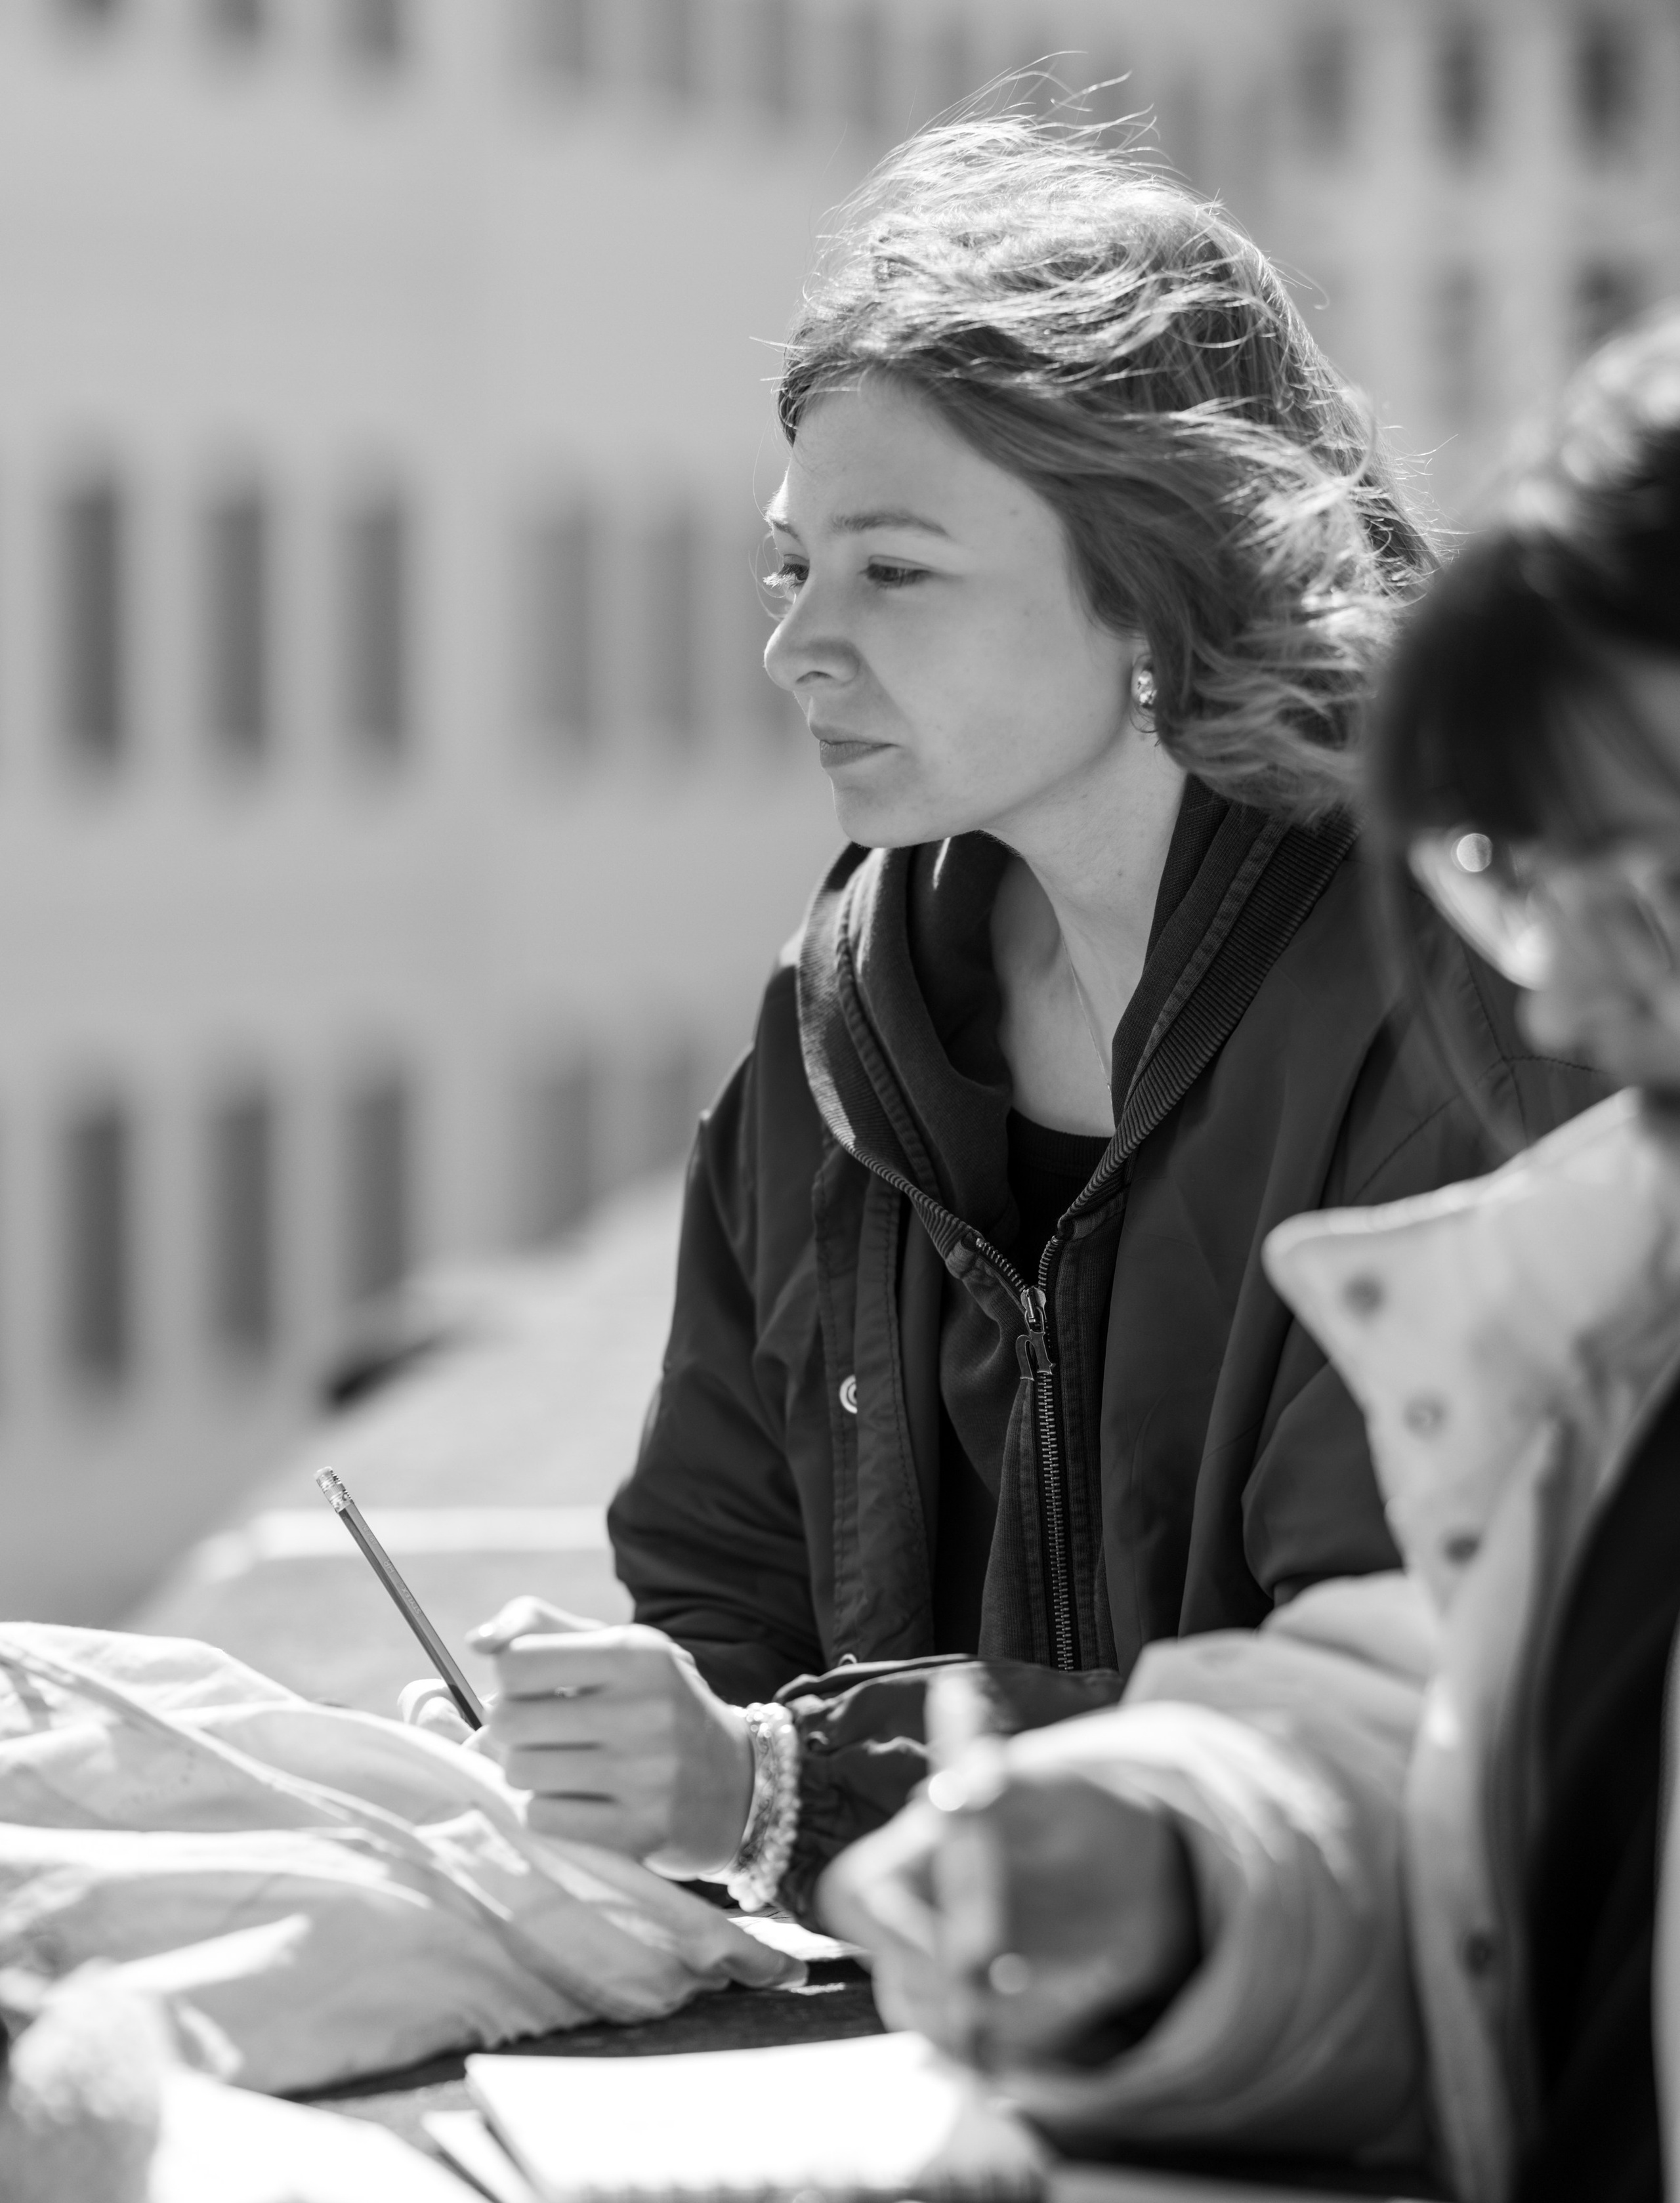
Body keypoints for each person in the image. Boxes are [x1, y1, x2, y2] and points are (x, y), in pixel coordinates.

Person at [460, 117, 1595, 1925]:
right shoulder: (835, 1029)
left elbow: (1384, 1727)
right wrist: (625, 1747)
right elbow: (716, 1586)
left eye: (894, 572)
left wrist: (785, 1788)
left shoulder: (1457, 1016)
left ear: (1154, 581)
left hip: (1313, 2107)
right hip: (917, 2058)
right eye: (792, 568)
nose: (798, 645)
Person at [823, 306, 1680, 2203]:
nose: (1567, 1000)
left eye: (1643, 877)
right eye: (1511, 878)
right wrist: (1171, 1859)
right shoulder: (845, 1002)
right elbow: (1459, 1772)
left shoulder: (1422, 1076)